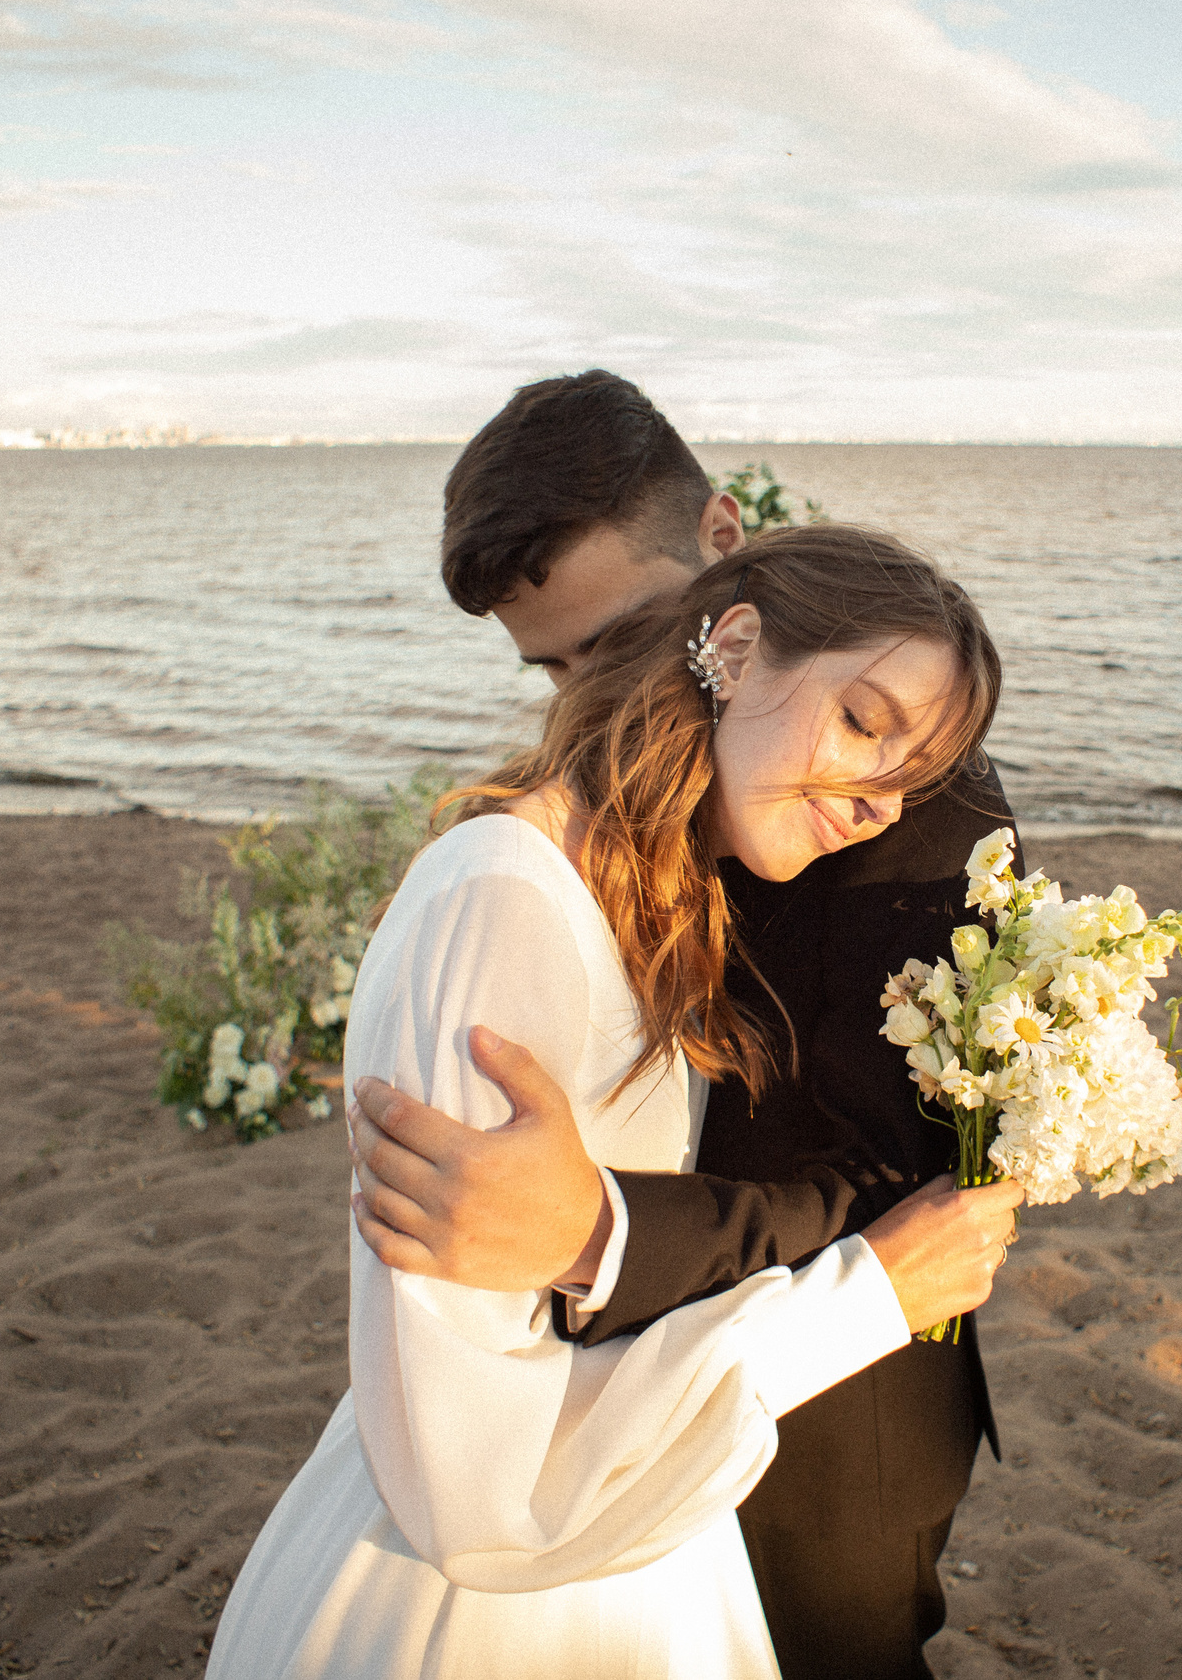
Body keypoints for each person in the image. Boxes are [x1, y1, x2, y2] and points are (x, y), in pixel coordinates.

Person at [206, 525, 1022, 1678]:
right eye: (861, 722)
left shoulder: (654, 890)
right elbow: (476, 1483)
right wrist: (865, 1298)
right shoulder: (501, 902)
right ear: (733, 648)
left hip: (647, 1540)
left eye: (911, 777)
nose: (879, 805)